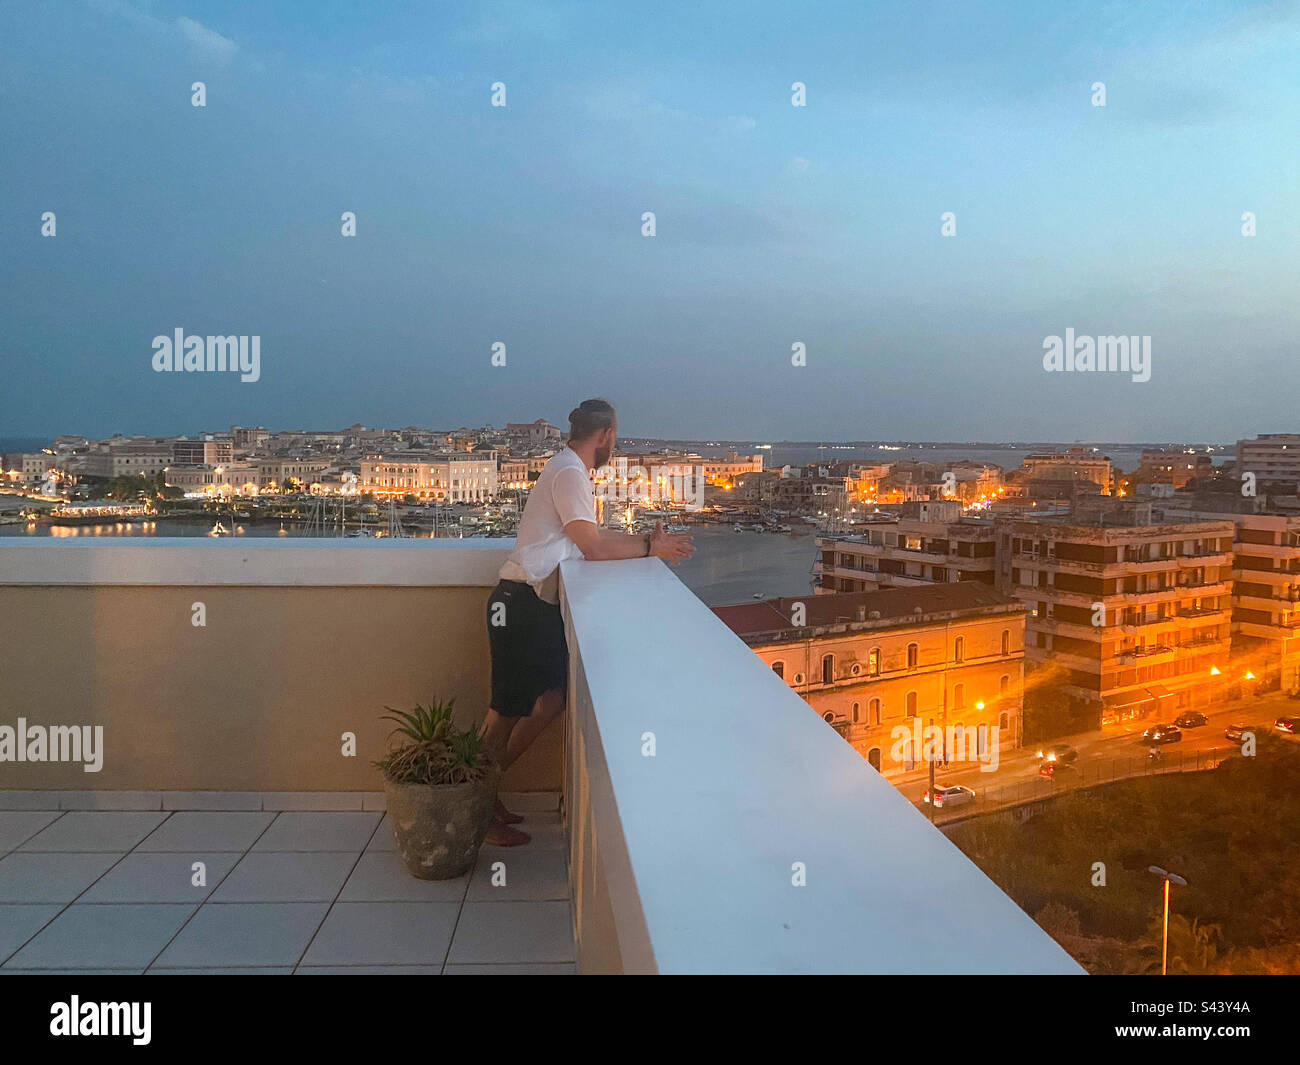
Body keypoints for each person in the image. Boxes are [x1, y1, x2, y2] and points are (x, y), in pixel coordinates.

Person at [479, 398, 694, 845]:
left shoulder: (565, 469)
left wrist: (641, 542)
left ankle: (484, 791)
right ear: (608, 435)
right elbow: (592, 547)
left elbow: (588, 539)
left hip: (529, 604)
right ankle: (475, 806)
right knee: (503, 714)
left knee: (551, 699)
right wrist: (652, 550)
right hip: (522, 603)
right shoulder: (571, 473)